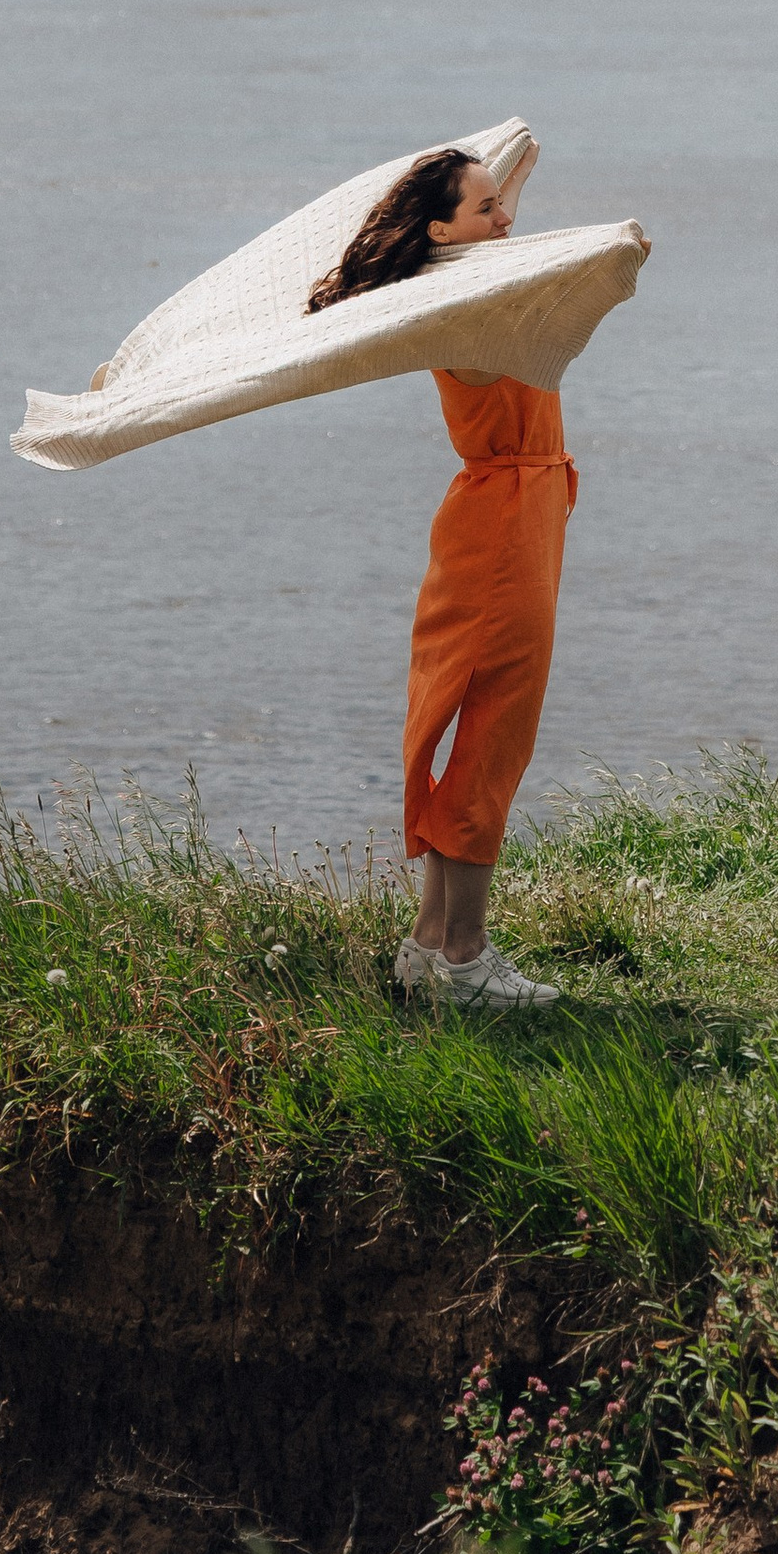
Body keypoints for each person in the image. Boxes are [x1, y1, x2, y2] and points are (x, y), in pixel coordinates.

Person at [307, 147, 571, 1012]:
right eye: (487, 208)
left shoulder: (463, 288)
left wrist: (503, 179)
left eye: (505, 204)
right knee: (494, 731)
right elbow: (556, 287)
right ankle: (466, 956)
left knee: (478, 720)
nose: (507, 220)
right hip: (502, 528)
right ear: (441, 233)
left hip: (504, 515)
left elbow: (498, 239)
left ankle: (427, 946)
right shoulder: (475, 312)